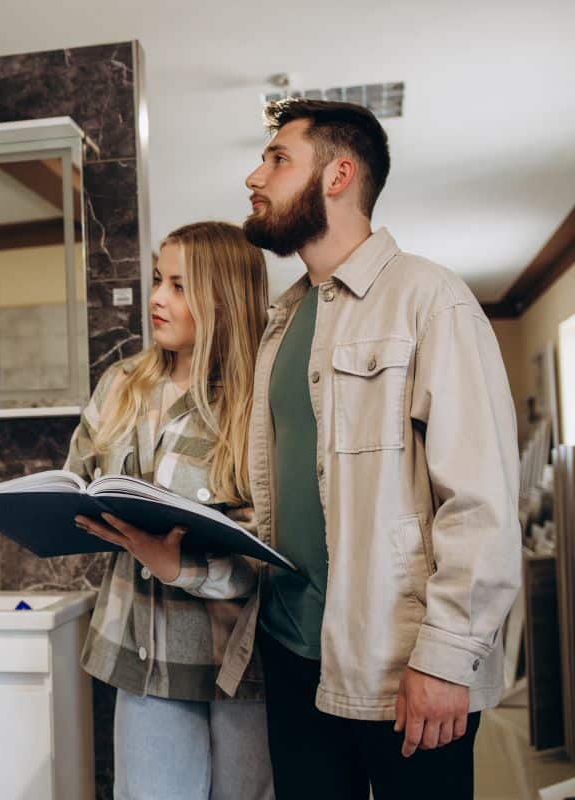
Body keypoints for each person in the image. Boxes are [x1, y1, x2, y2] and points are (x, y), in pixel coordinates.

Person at [221, 98, 521, 799]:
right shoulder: (283, 320)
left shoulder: (430, 298)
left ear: (338, 175)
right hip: (293, 652)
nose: (254, 177)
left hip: (401, 664)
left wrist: (446, 658)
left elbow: (481, 501)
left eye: (278, 159)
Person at [69, 221, 274, 800]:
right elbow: (78, 476)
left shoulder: (259, 401)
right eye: (158, 279)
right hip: (139, 658)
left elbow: (277, 550)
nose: (157, 297)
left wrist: (180, 567)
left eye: (179, 286)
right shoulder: (120, 384)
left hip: (240, 666)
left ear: (224, 299)